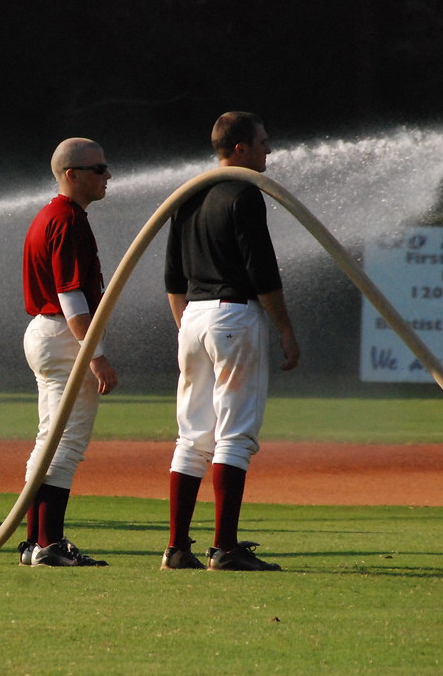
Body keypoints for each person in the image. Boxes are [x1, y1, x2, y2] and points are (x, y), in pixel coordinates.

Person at [162, 111, 300, 571]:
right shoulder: (244, 193)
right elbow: (262, 270)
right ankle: (224, 547)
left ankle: (177, 548)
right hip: (234, 314)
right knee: (235, 435)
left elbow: (172, 276)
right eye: (262, 142)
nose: (268, 150)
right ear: (239, 149)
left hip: (193, 317)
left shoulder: (189, 194)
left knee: (192, 436)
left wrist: (187, 324)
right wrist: (284, 327)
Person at [19, 137, 118, 567]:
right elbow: (71, 296)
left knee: (49, 439)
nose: (107, 175)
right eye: (98, 169)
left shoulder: (52, 215)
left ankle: (34, 542)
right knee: (66, 444)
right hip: (63, 334)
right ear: (71, 174)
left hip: (46, 333)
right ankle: (48, 543)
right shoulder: (68, 220)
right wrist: (95, 355)